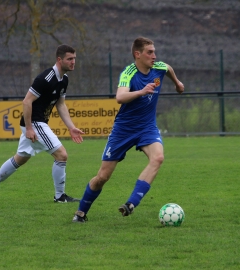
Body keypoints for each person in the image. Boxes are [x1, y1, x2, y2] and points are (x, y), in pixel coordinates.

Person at [72, 37, 184, 222]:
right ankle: (81, 212)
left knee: (158, 158)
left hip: (147, 127)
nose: (154, 56)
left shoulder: (159, 68)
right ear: (137, 54)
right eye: (149, 52)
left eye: (154, 52)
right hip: (123, 130)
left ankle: (131, 204)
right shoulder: (129, 73)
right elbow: (120, 97)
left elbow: (169, 68)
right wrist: (141, 92)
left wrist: (177, 83)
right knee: (102, 176)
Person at [0, 44, 84, 203]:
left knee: (20, 158)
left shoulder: (64, 79)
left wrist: (71, 128)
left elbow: (60, 104)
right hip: (35, 122)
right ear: (59, 60)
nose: (73, 62)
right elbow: (26, 101)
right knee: (62, 155)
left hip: (37, 123)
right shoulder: (45, 78)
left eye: (74, 59)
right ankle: (60, 196)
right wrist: (29, 128)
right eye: (69, 59)